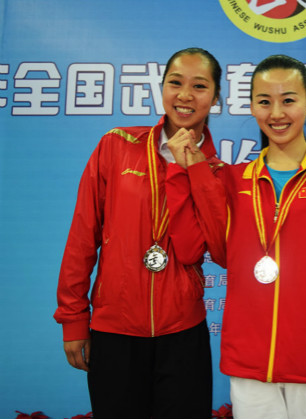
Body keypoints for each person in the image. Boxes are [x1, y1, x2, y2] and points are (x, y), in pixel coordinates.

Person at [165, 54, 306, 419]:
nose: (277, 113)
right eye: (264, 101)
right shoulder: (230, 180)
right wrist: (187, 172)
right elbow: (203, 251)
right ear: (251, 106)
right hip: (251, 362)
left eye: (288, 100)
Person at [53, 47, 221, 418]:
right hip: (115, 328)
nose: (185, 95)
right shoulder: (117, 145)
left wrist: (190, 171)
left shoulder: (217, 171)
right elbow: (83, 235)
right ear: (161, 88)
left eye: (199, 86)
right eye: (175, 83)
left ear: (215, 98)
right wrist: (73, 317)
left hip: (183, 331)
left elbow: (206, 250)